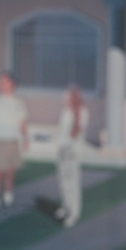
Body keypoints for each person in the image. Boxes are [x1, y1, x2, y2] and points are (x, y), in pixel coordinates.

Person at [0, 71, 28, 211]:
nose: (1, 85)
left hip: (13, 140)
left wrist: (25, 139)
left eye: (4, 82)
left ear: (12, 84)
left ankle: (8, 194)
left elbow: (23, 123)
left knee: (11, 171)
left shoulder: (19, 103)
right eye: (0, 82)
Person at [54, 85, 88, 228]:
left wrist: (75, 114)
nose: (65, 101)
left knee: (72, 182)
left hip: (73, 152)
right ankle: (66, 207)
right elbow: (62, 131)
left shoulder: (82, 112)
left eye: (67, 98)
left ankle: (74, 213)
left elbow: (75, 133)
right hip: (62, 150)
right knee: (63, 181)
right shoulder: (65, 111)